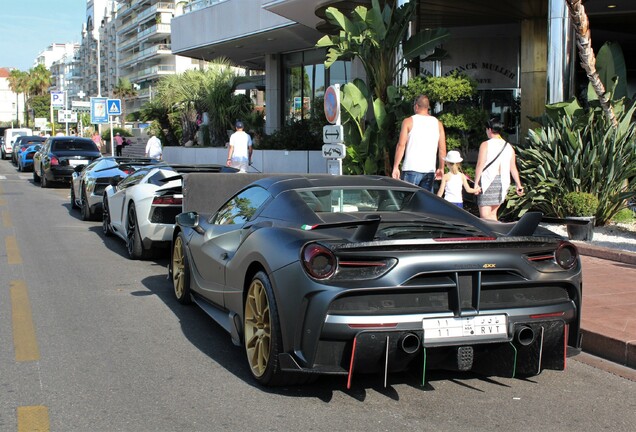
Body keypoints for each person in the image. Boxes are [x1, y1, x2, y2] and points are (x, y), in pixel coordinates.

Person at [392, 94, 447, 192]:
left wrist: (396, 166)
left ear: (416, 106)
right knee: (426, 204)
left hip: (411, 168)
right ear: (427, 107)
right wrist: (441, 168)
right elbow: (442, 149)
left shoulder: (408, 121)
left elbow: (401, 145)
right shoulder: (438, 124)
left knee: (409, 203)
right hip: (429, 170)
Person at [473, 118, 524, 221]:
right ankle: (496, 235)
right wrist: (518, 184)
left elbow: (480, 165)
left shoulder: (485, 144)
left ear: (490, 130)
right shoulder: (508, 146)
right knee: (492, 214)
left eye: (486, 129)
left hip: (488, 181)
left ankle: (491, 235)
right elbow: (513, 168)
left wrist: (476, 183)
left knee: (485, 216)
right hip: (502, 182)